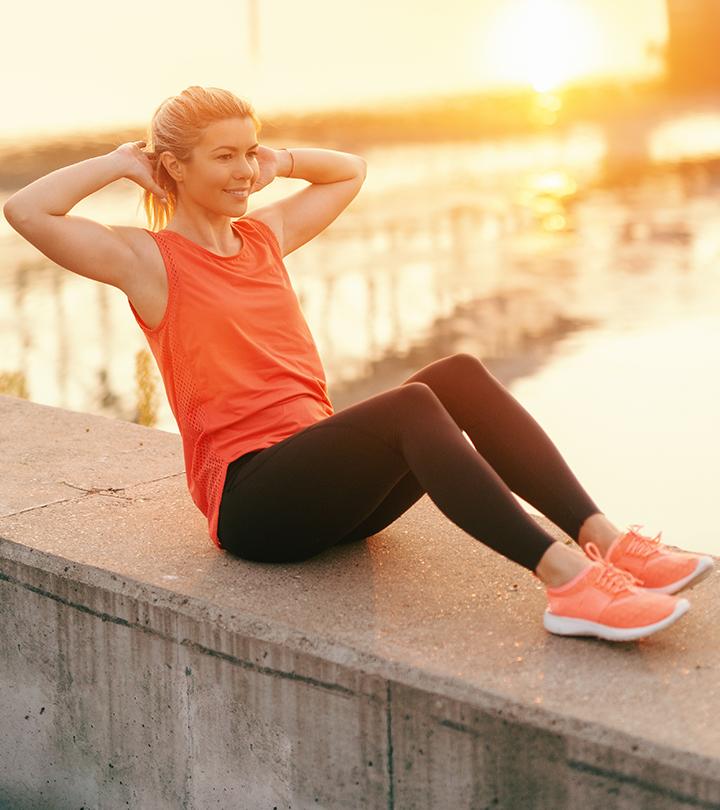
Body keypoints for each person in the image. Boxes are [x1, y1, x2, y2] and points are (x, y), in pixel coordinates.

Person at [4, 86, 713, 643]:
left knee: (457, 373)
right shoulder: (147, 262)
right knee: (409, 407)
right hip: (254, 506)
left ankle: (606, 543)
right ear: (173, 168)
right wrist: (120, 163)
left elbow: (351, 172)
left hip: (327, 493)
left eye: (250, 152)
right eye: (225, 157)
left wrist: (279, 160)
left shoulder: (264, 237)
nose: (247, 171)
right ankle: (566, 584)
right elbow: (26, 211)